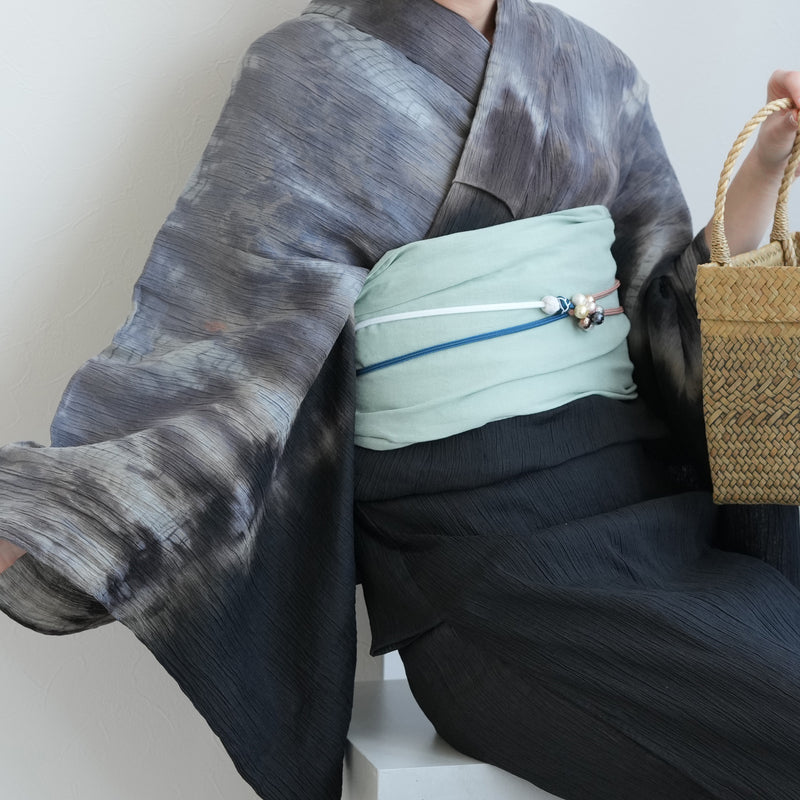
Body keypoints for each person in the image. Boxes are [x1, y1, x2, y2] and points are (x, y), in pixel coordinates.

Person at [1, 0, 799, 798]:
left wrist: (764, 164)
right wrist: (53, 526)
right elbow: (225, 365)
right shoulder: (307, 69)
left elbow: (665, 314)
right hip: (484, 566)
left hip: (653, 521)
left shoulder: (598, 71)